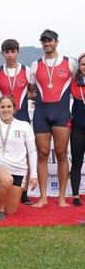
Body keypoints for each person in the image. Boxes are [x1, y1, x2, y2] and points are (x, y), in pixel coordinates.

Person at [30, 29, 77, 208]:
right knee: (42, 155)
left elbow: (76, 81)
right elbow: (32, 88)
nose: (47, 44)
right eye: (44, 41)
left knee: (62, 154)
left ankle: (62, 197)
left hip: (61, 114)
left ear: (56, 42)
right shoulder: (35, 65)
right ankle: (42, 197)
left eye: (50, 41)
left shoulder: (69, 63)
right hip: (41, 114)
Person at [0, 39, 33, 205]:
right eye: (7, 52)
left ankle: (23, 192)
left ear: (18, 52)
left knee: (25, 154)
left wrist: (24, 99)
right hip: (3, 114)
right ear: (3, 54)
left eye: (13, 51)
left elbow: (32, 90)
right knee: (0, 152)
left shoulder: (27, 71)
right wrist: (1, 103)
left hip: (21, 114)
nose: (10, 55)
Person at [0, 96, 38, 220]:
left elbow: (32, 151)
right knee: (6, 180)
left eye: (8, 107)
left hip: (18, 170)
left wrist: (33, 175)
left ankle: (3, 198)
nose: (5, 110)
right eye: (2, 107)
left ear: (14, 109)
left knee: (11, 211)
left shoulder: (24, 126)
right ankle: (0, 210)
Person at [70, 53, 85, 206]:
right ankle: (75, 195)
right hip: (78, 128)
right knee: (77, 161)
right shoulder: (74, 83)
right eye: (83, 64)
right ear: (79, 67)